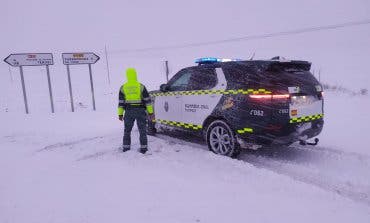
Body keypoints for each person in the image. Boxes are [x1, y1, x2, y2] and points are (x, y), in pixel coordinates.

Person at [118, 68, 154, 154]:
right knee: (142, 130)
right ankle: (144, 149)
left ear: (127, 76)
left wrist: (120, 114)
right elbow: (147, 101)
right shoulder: (141, 86)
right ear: (135, 75)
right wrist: (151, 112)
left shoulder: (123, 87)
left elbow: (121, 103)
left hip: (129, 111)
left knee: (127, 131)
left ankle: (126, 148)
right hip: (140, 111)